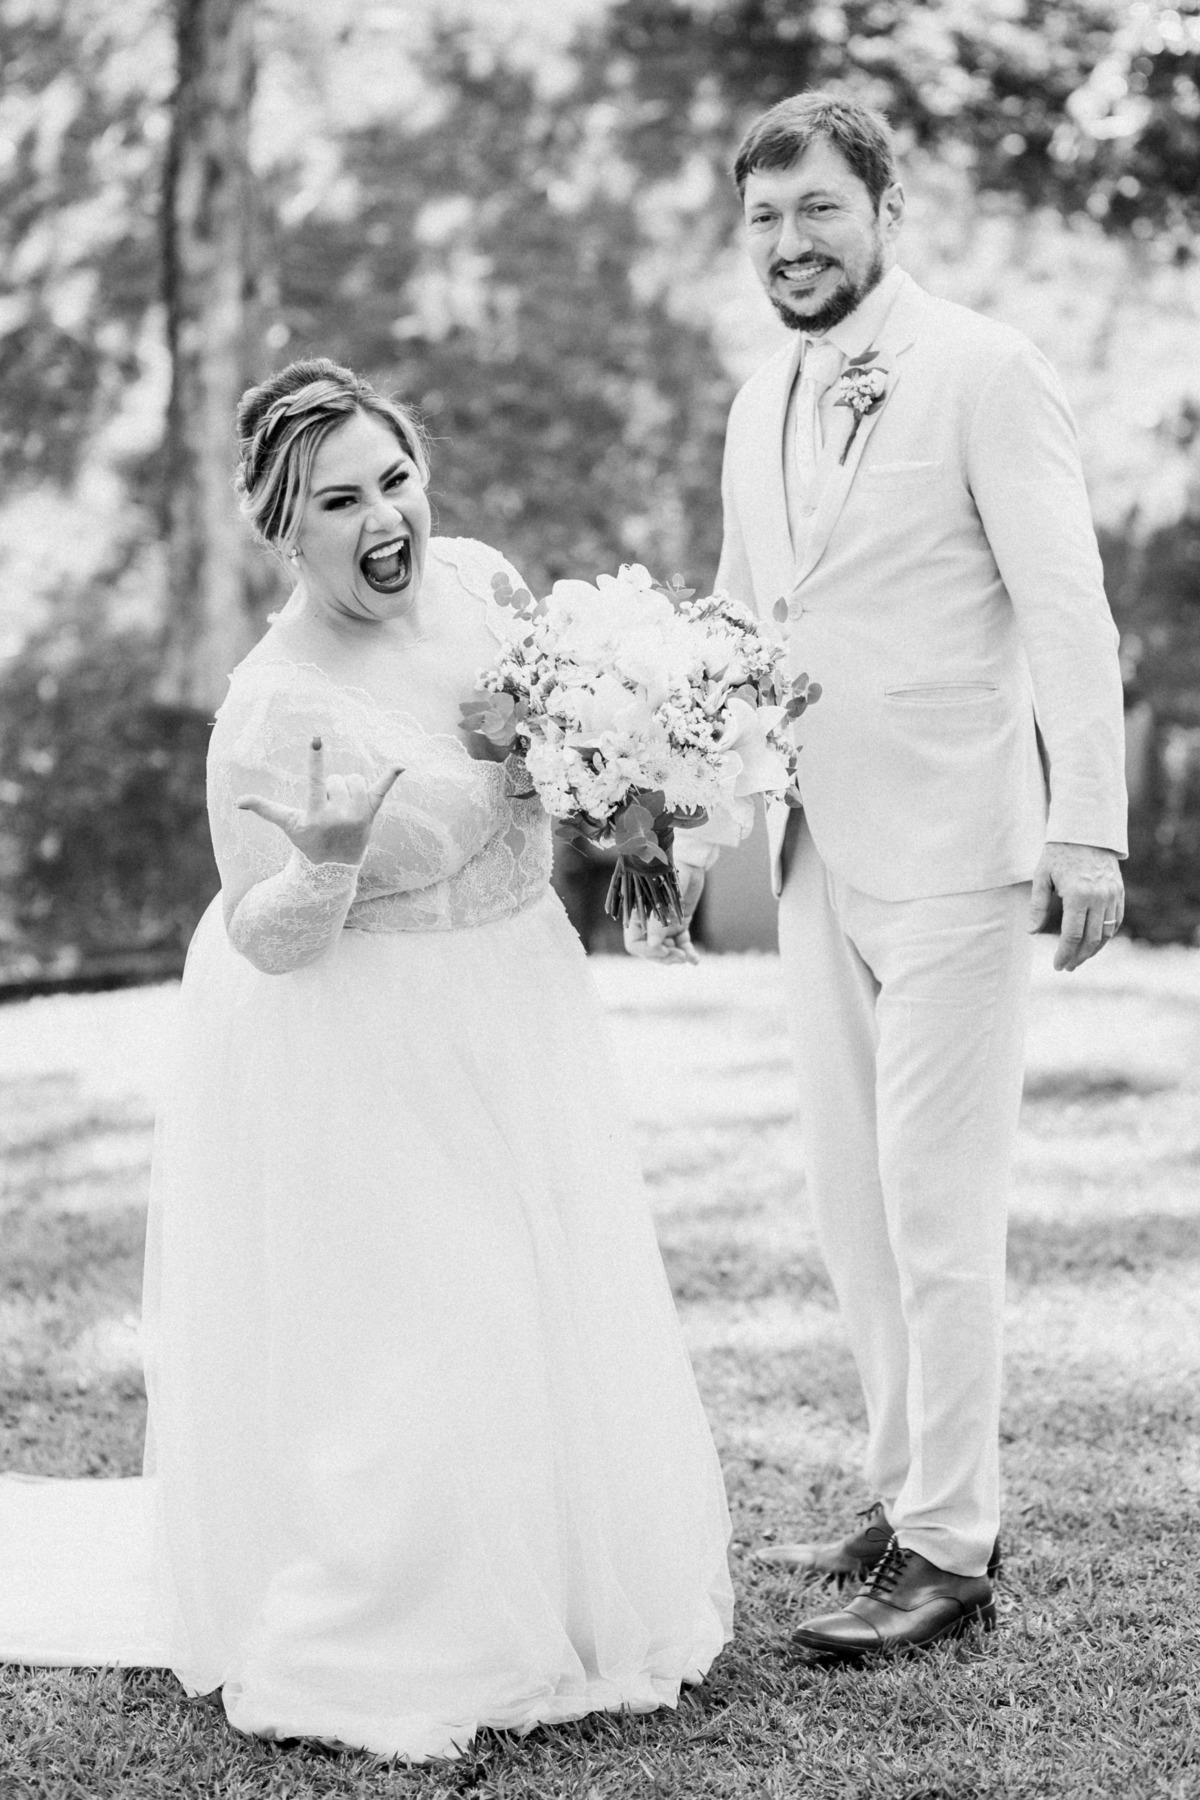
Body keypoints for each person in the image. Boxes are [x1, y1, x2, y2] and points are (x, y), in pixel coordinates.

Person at [0, 359, 732, 1755]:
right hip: (373, 1043)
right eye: (339, 501)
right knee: (432, 1329)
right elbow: (259, 933)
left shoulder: (485, 588)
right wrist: (327, 865)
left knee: (545, 1295)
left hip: (520, 1001)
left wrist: (636, 790)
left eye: (394, 479)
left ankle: (569, 1592)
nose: (384, 517)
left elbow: (559, 776)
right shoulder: (271, 705)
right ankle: (411, 1623)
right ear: (286, 528)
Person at [630, 93, 1127, 1658]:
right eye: (766, 219)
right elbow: (736, 627)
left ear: (886, 212)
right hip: (811, 851)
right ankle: (906, 1491)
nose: (791, 242)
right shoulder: (754, 398)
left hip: (959, 852)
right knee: (853, 1205)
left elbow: (1067, 606)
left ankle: (952, 1550)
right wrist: (683, 826)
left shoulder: (986, 370)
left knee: (935, 1206)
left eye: (819, 210)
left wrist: (1089, 824)